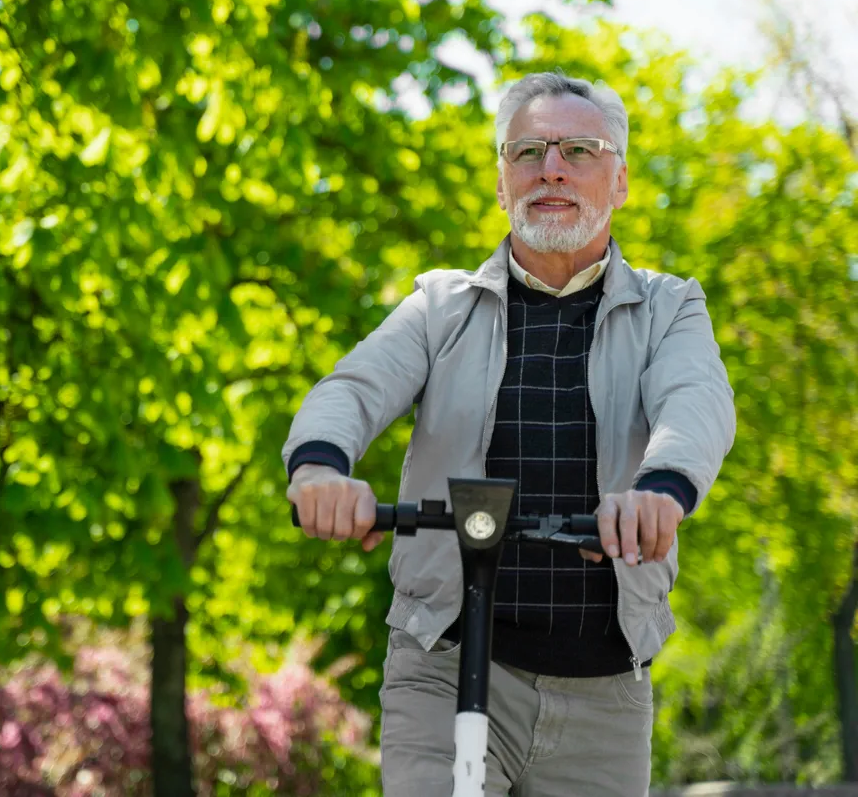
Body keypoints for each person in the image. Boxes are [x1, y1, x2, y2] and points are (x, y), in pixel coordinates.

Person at [282, 72, 735, 796]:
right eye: (528, 152)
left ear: (619, 181)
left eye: (579, 151)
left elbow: (695, 402)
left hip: (604, 694)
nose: (551, 168)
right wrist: (319, 472)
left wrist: (659, 492)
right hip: (444, 663)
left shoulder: (669, 308)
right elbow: (352, 391)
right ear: (501, 183)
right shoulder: (439, 307)